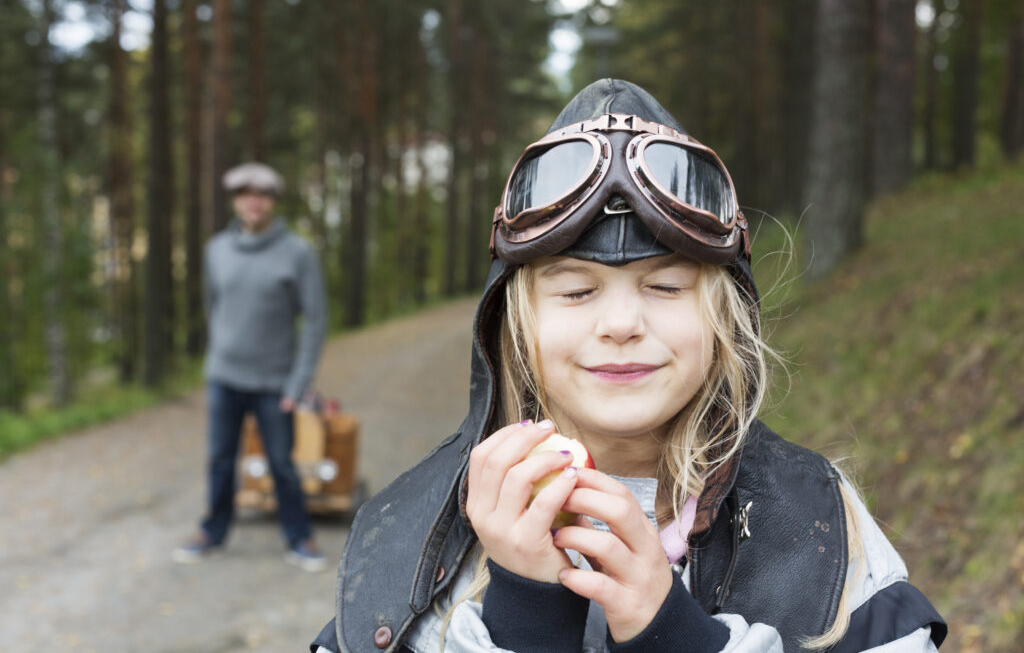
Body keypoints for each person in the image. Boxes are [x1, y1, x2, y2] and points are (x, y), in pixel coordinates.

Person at [311, 80, 946, 650]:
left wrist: (673, 636)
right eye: (576, 291)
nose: (620, 324)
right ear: (515, 322)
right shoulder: (413, 542)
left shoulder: (821, 529)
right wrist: (523, 618)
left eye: (666, 287)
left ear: (725, 321)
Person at [173, 161, 329, 572]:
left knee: (281, 463)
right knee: (221, 458)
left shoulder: (297, 253)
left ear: (273, 201)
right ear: (236, 201)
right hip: (224, 377)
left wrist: (297, 385)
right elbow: (214, 306)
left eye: (261, 195)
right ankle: (212, 530)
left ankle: (299, 538)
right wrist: (219, 353)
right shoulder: (217, 250)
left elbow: (315, 321)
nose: (253, 202)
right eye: (245, 194)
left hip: (276, 384)